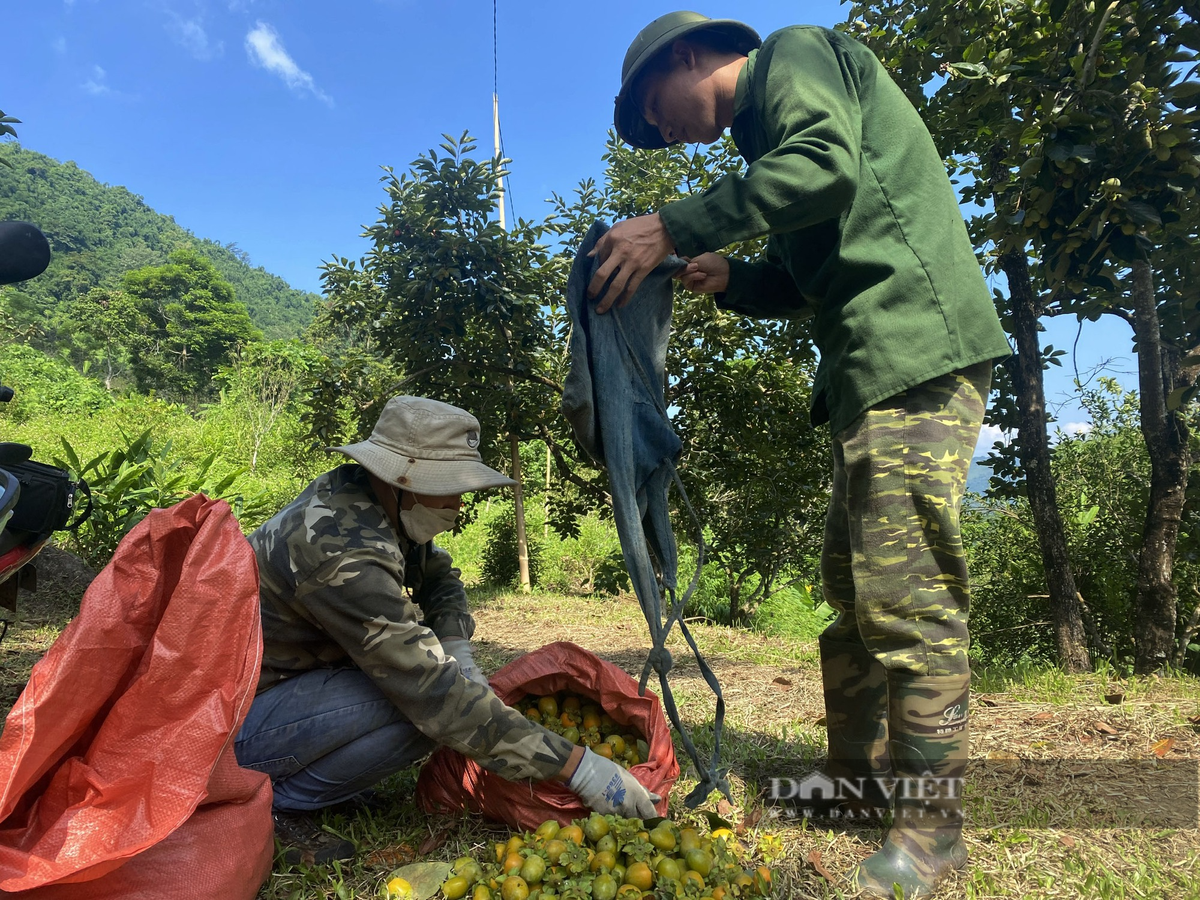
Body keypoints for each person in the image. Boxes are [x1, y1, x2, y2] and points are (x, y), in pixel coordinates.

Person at [596, 12, 1012, 898]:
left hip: (916, 349)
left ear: (689, 54)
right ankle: (855, 783)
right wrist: (731, 276)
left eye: (652, 111)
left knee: (907, 596)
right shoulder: (764, 153)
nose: (660, 136)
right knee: (854, 593)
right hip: (869, 368)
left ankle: (933, 831)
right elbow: (803, 273)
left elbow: (827, 168)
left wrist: (670, 226)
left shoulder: (793, 56)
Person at [234, 396, 658, 862]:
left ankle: (305, 784)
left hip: (282, 691)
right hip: (233, 722)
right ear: (403, 478)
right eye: (449, 486)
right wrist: (578, 768)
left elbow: (438, 576)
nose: (457, 502)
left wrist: (456, 643)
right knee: (419, 709)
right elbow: (433, 693)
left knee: (435, 698)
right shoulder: (342, 551)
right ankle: (274, 800)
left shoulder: (373, 501)